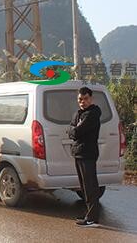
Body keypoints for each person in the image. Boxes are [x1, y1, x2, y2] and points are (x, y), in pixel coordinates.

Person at [69, 86, 102, 228]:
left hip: (87, 153)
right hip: (79, 153)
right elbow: (72, 129)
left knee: (90, 186)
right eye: (80, 99)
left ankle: (92, 218)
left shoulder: (92, 114)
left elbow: (76, 132)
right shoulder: (79, 113)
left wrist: (74, 130)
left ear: (91, 99)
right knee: (83, 187)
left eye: (85, 99)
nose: (82, 102)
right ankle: (89, 214)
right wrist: (73, 130)